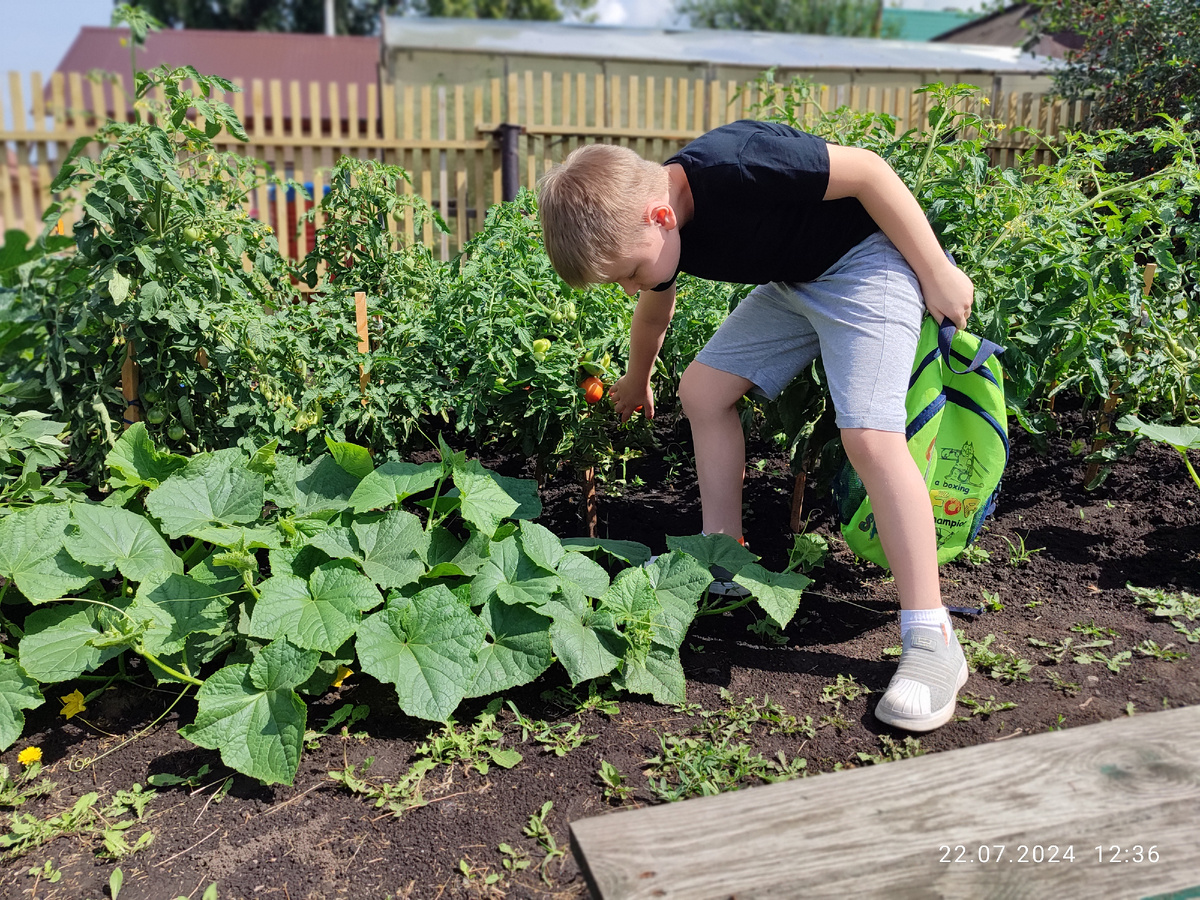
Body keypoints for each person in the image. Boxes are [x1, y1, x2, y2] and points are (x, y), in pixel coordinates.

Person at [536, 120, 974, 733]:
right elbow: (653, 310)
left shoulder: (738, 165)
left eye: (629, 272)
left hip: (865, 265)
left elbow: (871, 171)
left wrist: (936, 271)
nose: (634, 285)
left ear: (659, 217)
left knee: (870, 437)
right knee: (703, 392)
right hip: (798, 282)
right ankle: (727, 561)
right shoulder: (662, 230)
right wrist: (638, 379)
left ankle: (931, 636)